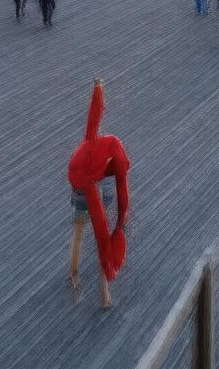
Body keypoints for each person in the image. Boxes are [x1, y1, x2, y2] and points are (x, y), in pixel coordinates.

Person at [67, 79, 130, 309]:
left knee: (78, 233)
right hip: (94, 191)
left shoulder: (88, 143)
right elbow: (95, 116)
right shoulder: (107, 149)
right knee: (102, 239)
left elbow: (94, 116)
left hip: (78, 191)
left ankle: (74, 275)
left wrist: (97, 89)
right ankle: (105, 296)